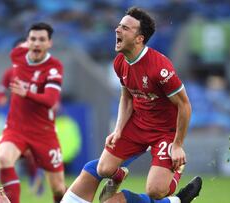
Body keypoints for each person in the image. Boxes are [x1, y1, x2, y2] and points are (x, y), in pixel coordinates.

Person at [61, 7, 202, 203]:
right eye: (119, 26)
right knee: (104, 169)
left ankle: (175, 175)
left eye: (125, 28)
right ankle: (119, 176)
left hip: (164, 131)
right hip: (138, 124)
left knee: (156, 190)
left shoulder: (160, 68)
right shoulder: (120, 62)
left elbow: (184, 106)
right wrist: (118, 129)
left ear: (139, 38)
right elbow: (127, 97)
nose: (118, 30)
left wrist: (177, 144)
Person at [0, 22, 66, 203]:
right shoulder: (17, 55)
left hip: (43, 131)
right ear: (27, 41)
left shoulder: (54, 67)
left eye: (42, 39)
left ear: (49, 43)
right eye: (33, 39)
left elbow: (51, 100)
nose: (36, 43)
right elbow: (5, 82)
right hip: (16, 127)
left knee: (58, 188)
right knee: (4, 157)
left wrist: (26, 92)